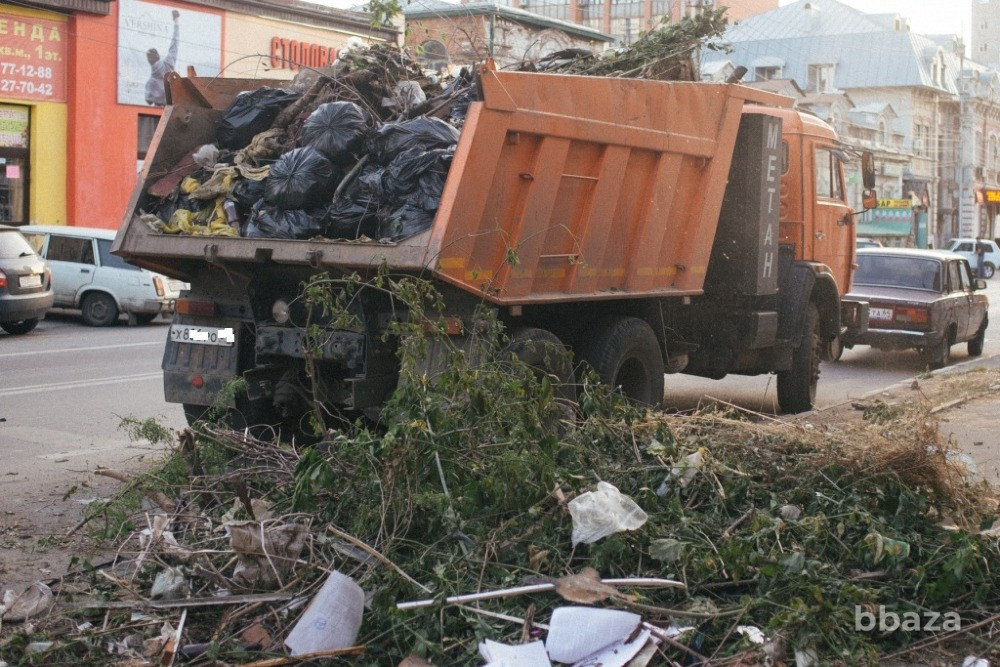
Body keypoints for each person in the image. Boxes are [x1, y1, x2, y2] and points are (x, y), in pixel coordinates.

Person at [145, 10, 180, 106]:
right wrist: (176, 21)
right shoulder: (169, 63)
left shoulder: (151, 82)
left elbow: (148, 101)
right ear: (159, 56)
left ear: (149, 62)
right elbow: (175, 42)